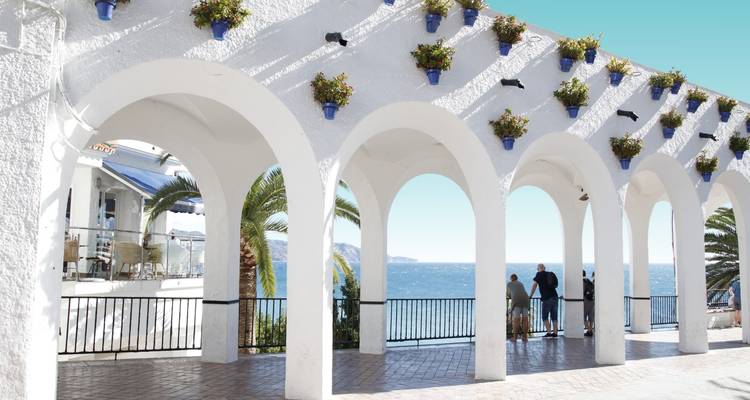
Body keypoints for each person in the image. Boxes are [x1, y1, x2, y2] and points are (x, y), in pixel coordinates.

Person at [529, 263, 559, 338]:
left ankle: (549, 332)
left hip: (547, 298)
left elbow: (534, 285)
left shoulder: (539, 274)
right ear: (544, 268)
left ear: (538, 268)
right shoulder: (550, 274)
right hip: (555, 296)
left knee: (544, 316)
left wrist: (531, 295)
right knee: (554, 316)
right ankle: (555, 333)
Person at [507, 274, 530, 342]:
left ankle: (515, 338)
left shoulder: (509, 284)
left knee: (516, 320)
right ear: (517, 279)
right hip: (525, 300)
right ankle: (525, 337)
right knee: (525, 319)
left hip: (516, 302)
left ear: (511, 279)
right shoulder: (521, 283)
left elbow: (508, 294)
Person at [583, 270, 595, 336]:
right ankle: (590, 330)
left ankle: (589, 330)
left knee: (583, 317)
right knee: (591, 317)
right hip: (592, 300)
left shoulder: (582, 282)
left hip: (586, 301)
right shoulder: (589, 281)